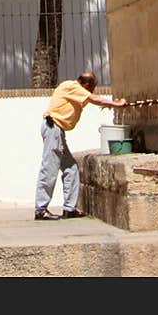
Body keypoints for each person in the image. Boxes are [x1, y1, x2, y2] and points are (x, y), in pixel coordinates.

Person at [34, 70, 126, 220]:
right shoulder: (72, 86)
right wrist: (116, 104)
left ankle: (69, 208)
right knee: (49, 168)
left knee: (71, 168)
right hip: (53, 129)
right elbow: (94, 99)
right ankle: (40, 209)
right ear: (86, 84)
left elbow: (91, 99)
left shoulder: (74, 90)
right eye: (91, 88)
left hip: (58, 131)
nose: (91, 91)